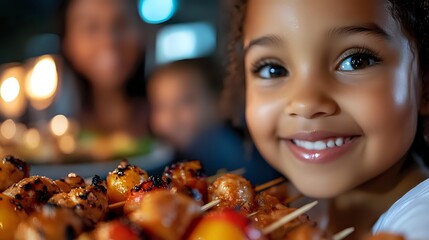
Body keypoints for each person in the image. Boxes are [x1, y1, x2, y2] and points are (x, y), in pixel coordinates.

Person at [224, 0, 429, 238]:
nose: (306, 103)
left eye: (356, 61)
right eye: (273, 69)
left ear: (424, 86)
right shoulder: (292, 207)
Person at [147, 58, 281, 184]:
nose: (170, 117)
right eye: (160, 106)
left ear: (221, 103)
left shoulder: (230, 154)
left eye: (186, 102)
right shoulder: (170, 154)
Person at [59, 0, 148, 138]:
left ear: (143, 31)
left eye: (121, 23)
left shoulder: (174, 120)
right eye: (91, 27)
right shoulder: (56, 132)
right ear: (68, 43)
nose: (109, 40)